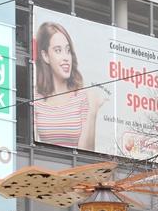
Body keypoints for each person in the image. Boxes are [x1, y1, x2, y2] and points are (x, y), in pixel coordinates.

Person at [33, 21, 107, 150]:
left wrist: (93, 111)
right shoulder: (35, 98)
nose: (66, 57)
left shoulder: (82, 97)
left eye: (68, 51)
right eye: (58, 50)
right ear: (45, 56)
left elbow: (86, 153)